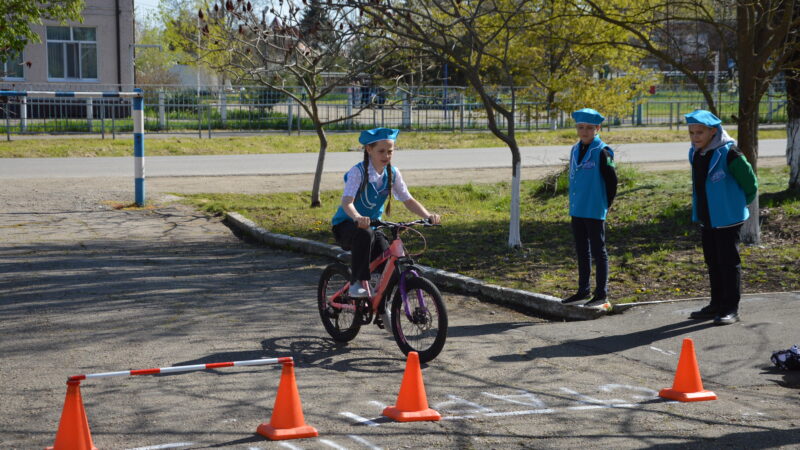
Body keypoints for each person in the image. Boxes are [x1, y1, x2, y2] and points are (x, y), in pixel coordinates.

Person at [331, 127, 441, 297]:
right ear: (369, 150)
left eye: (390, 151)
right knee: (365, 234)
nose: (386, 156)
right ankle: (357, 282)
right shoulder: (358, 172)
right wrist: (358, 217)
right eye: (381, 151)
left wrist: (427, 216)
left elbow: (408, 200)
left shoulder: (393, 173)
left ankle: (383, 308)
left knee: (389, 258)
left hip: (373, 226)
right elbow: (347, 202)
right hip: (346, 225)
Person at [685, 110, 758, 325]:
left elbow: (750, 184)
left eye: (699, 132)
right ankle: (715, 304)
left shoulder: (730, 153)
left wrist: (735, 204)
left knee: (728, 262)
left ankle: (730, 308)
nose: (695, 137)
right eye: (691, 133)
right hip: (707, 217)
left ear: (713, 131)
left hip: (729, 217)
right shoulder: (696, 152)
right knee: (713, 261)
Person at [561, 108, 617, 311]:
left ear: (597, 128)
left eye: (589, 128)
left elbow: (612, 182)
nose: (584, 132)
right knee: (581, 250)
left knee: (598, 251)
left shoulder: (603, 151)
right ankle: (583, 289)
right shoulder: (575, 149)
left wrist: (604, 204)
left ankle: (601, 293)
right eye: (580, 127)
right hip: (577, 208)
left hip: (594, 208)